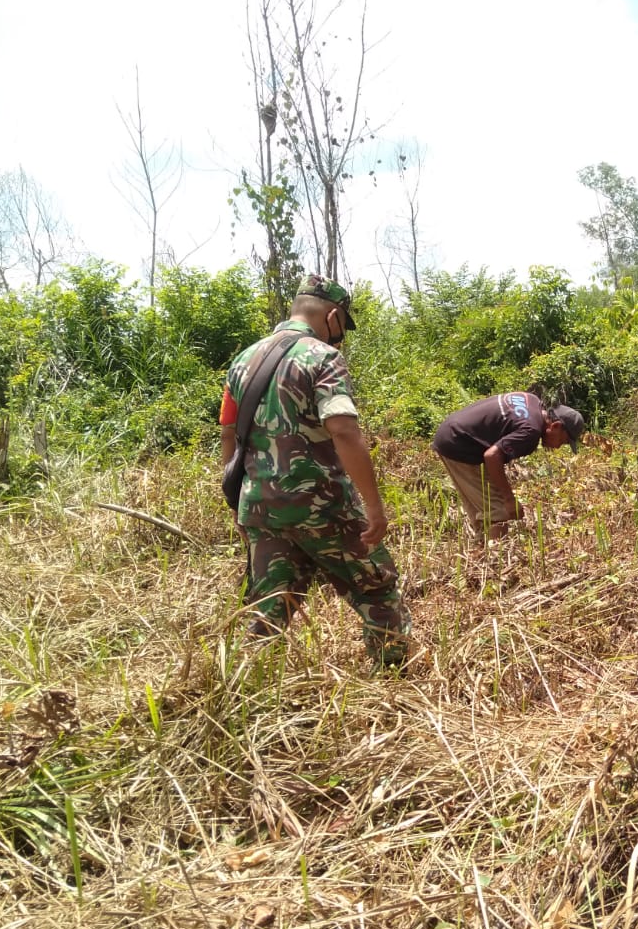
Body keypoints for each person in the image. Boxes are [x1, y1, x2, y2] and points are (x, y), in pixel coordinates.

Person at [219, 275, 411, 665]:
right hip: (320, 503)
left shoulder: (242, 361)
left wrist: (239, 502)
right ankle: (392, 683)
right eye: (342, 328)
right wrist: (374, 508)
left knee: (270, 604)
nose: (340, 338)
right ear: (334, 316)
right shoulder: (322, 356)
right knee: (377, 588)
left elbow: (228, 435)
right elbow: (342, 427)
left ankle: (244, 690)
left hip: (259, 506)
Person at [431, 394, 586, 541]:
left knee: (485, 514)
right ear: (556, 425)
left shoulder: (531, 400)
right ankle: (494, 564)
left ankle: (480, 556)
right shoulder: (530, 431)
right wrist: (509, 500)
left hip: (451, 432)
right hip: (459, 442)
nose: (558, 446)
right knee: (499, 515)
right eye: (563, 441)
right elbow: (492, 456)